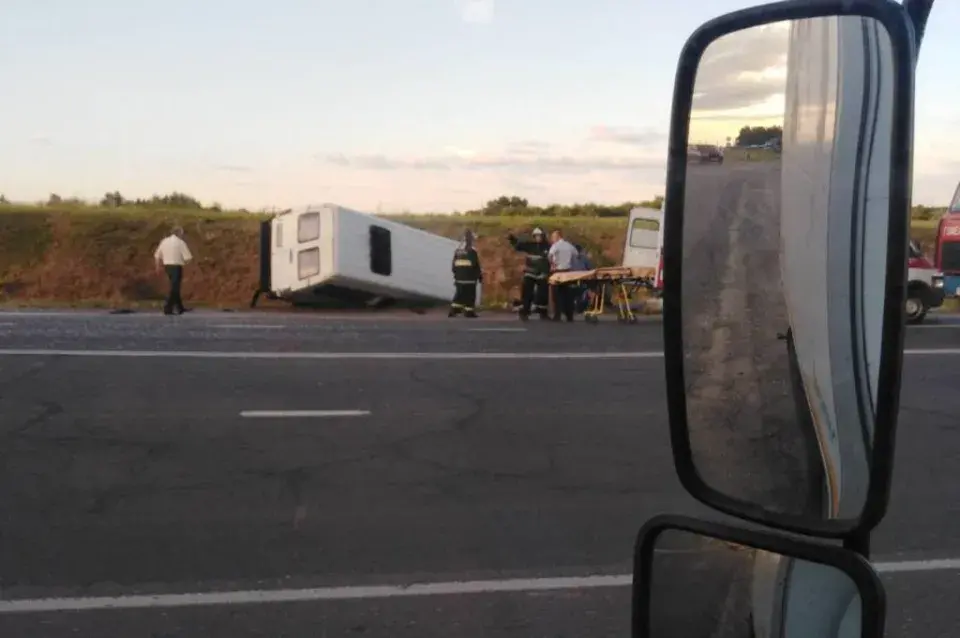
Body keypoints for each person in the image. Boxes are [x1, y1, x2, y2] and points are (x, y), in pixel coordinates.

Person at [507, 227, 551, 320]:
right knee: (527, 294)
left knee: (543, 294)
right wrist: (511, 238)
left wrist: (547, 272)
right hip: (530, 273)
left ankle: (543, 313)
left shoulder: (548, 246)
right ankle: (524, 313)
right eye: (536, 236)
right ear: (534, 236)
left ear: (543, 236)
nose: (538, 238)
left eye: (540, 236)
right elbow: (518, 245)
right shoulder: (530, 245)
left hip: (542, 274)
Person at [154, 226, 193, 315]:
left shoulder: (164, 241)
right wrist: (185, 264)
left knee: (174, 286)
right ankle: (168, 307)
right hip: (177, 266)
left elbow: (157, 255)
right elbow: (188, 258)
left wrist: (158, 266)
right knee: (175, 287)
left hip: (167, 266)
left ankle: (180, 307)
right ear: (179, 233)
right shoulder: (180, 243)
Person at [449, 230, 482, 318]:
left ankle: (454, 310)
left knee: (459, 295)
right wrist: (479, 276)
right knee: (470, 296)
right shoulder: (472, 252)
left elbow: (453, 266)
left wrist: (456, 276)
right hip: (470, 279)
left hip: (459, 279)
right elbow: (475, 265)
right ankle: (469, 312)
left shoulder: (458, 252)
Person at [548, 229, 578, 322]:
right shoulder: (569, 245)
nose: (552, 239)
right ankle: (569, 315)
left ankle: (557, 315)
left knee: (556, 295)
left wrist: (552, 264)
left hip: (557, 271)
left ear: (557, 236)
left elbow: (549, 255)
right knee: (568, 294)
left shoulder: (555, 245)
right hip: (568, 271)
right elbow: (576, 254)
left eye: (553, 237)